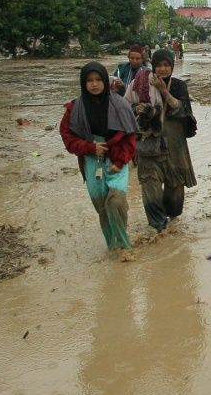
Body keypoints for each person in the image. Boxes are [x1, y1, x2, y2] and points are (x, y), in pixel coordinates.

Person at [59, 62, 139, 262]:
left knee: (116, 201)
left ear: (105, 80)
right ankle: (111, 246)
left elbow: (130, 138)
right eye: (89, 81)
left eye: (98, 80)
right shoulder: (74, 109)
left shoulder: (120, 104)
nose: (94, 84)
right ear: (83, 83)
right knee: (102, 206)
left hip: (116, 158)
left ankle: (124, 245)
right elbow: (68, 138)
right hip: (91, 160)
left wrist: (120, 162)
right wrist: (89, 147)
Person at [124, 49, 197, 233]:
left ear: (172, 66)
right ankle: (158, 228)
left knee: (175, 191)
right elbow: (126, 107)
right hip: (149, 146)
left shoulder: (179, 86)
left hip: (174, 146)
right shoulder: (140, 83)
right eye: (159, 65)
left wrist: (164, 91)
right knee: (150, 188)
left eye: (167, 65)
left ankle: (172, 227)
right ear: (153, 66)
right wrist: (138, 108)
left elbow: (183, 111)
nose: (163, 69)